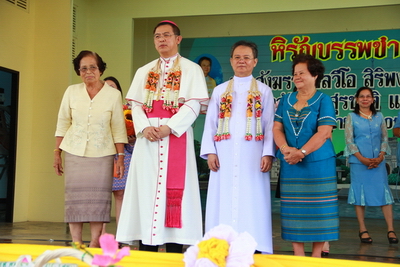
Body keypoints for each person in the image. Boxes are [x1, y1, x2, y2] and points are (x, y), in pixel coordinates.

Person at [116, 20, 209, 253]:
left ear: (178, 39)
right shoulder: (143, 71)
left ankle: (176, 249)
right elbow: (135, 105)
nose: (162, 40)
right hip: (148, 141)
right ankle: (146, 247)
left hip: (175, 137)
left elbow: (194, 105)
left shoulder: (192, 69)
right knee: (146, 189)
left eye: (167, 35)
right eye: (157, 36)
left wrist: (170, 127)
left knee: (175, 192)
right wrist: (144, 127)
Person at [200, 40, 274, 254]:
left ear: (255, 62)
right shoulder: (220, 91)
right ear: (231, 61)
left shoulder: (264, 91)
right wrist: (210, 151)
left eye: (247, 58)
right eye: (238, 58)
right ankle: (220, 245)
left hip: (254, 156)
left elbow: (269, 125)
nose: (242, 61)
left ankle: (254, 245)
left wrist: (268, 153)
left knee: (253, 199)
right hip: (222, 155)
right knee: (221, 198)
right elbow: (211, 123)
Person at [53, 51, 127, 247]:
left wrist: (120, 157)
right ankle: (77, 243)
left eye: (92, 67)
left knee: (98, 201)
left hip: (102, 153)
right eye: (83, 68)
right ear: (78, 72)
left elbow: (118, 128)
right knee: (74, 201)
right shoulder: (71, 91)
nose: (88, 72)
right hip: (74, 152)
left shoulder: (113, 94)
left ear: (100, 69)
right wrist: (57, 153)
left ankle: (95, 242)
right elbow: (62, 123)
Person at [273, 53, 339, 257]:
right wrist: (286, 150)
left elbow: (325, 132)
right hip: (291, 164)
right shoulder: (285, 99)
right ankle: (298, 255)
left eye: (302, 73)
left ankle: (317, 256)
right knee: (294, 210)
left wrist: (301, 152)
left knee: (320, 209)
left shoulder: (324, 99)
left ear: (315, 75)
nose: (297, 77)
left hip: (319, 164)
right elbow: (277, 128)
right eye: (295, 73)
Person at [344, 87, 398, 244]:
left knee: (384, 195)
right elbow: (349, 141)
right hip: (359, 163)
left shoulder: (379, 116)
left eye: (368, 96)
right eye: (362, 96)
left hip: (378, 163)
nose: (365, 99)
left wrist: (381, 156)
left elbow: (385, 138)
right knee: (359, 196)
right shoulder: (351, 117)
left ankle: (391, 230)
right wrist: (362, 159)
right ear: (357, 99)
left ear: (373, 100)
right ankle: (363, 230)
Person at [101, 76, 136, 235]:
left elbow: (133, 139)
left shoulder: (127, 111)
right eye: (106, 87)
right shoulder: (95, 109)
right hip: (101, 155)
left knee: (120, 194)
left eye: (113, 86)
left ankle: (120, 235)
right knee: (101, 197)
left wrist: (132, 138)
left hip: (122, 155)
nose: (110, 89)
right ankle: (100, 235)